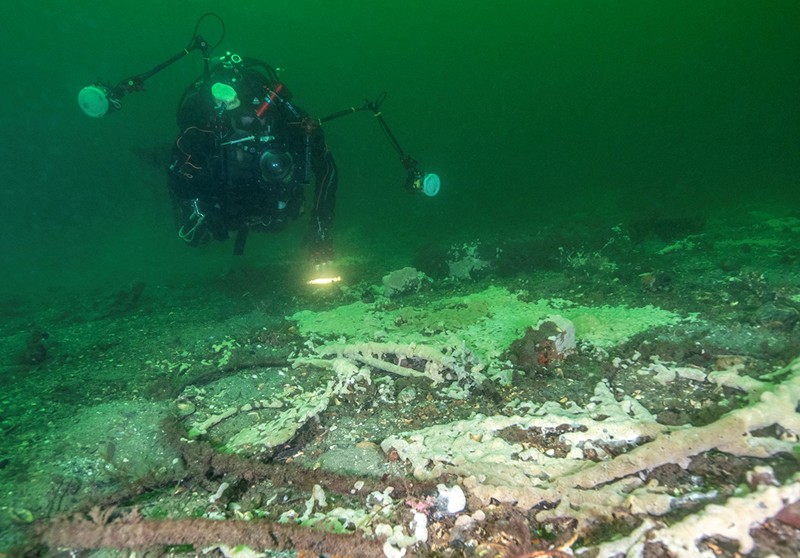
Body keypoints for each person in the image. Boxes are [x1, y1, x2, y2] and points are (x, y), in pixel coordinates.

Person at [167, 53, 337, 260]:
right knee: (195, 237)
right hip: (221, 205)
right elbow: (177, 170)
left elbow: (326, 167)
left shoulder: (286, 122)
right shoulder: (203, 132)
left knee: (278, 223)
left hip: (271, 209)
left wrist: (320, 226)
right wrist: (194, 208)